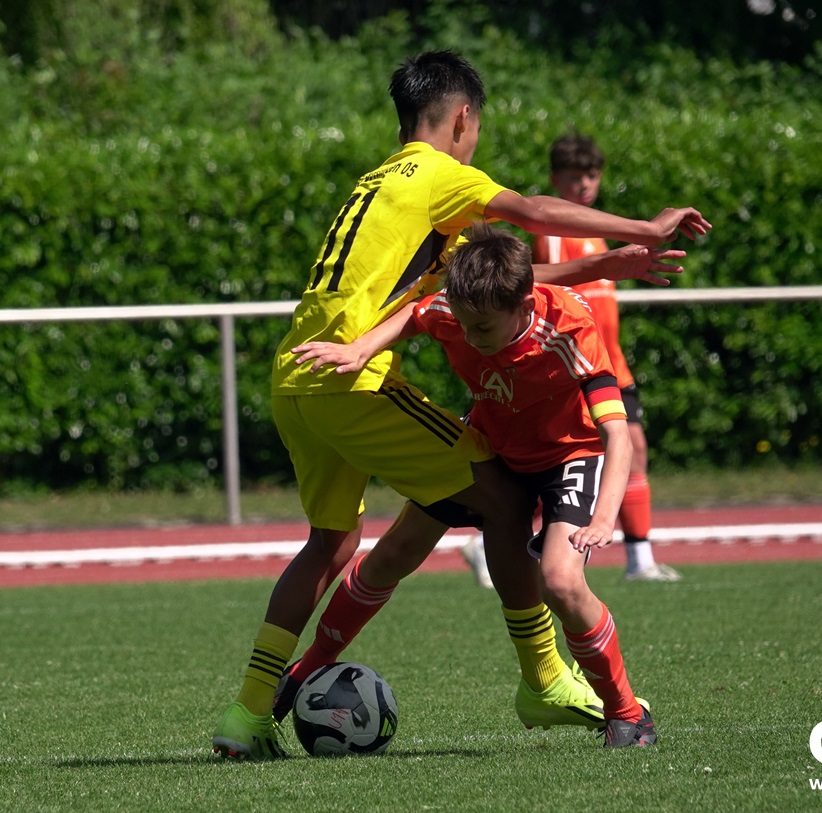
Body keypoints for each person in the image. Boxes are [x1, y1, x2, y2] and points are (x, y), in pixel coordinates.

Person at [211, 50, 709, 759]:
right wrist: (644, 229)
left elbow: (499, 279)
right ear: (463, 119)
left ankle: (247, 715)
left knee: (332, 543)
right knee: (502, 497)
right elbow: (533, 212)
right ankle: (545, 679)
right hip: (353, 378)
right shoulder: (441, 173)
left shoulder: (380, 183)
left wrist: (606, 264)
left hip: (296, 373)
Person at [286, 224, 657, 747]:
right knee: (393, 553)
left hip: (568, 456)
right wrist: (361, 350)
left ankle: (626, 713)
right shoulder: (457, 310)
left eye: (481, 327)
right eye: (462, 323)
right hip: (493, 445)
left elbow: (617, 434)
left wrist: (602, 519)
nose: (469, 335)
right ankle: (303, 672)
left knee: (560, 581)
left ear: (524, 305)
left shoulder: (569, 329)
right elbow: (417, 314)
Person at [533, 134, 682, 583]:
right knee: (569, 463)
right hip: (581, 367)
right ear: (555, 181)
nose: (584, 185)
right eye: (573, 178)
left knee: (633, 450)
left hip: (613, 365)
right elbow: (548, 292)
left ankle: (640, 559)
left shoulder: (595, 235)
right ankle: (492, 538)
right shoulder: (555, 235)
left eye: (591, 176)